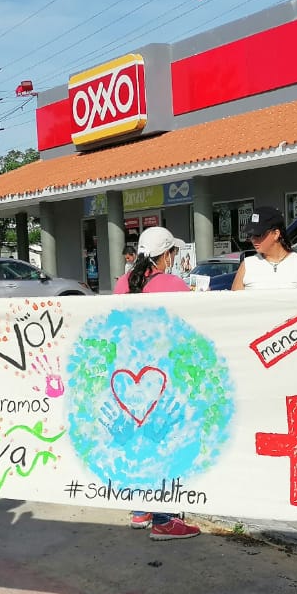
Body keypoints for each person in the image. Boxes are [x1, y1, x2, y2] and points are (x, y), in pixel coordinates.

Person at [113, 226, 202, 540]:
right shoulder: (172, 283)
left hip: (129, 376)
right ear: (167, 254)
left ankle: (141, 510)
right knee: (166, 443)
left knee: (142, 442)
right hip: (164, 376)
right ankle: (164, 519)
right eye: (172, 253)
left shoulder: (123, 283)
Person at [231, 205, 297, 290]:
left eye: (258, 234)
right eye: (250, 235)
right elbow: (235, 303)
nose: (253, 239)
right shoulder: (247, 265)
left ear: (276, 234)